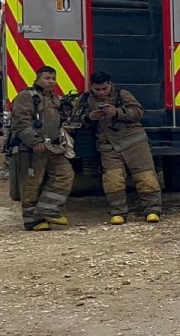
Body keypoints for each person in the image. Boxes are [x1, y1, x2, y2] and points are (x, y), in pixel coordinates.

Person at [77, 72, 162, 225]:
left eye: (105, 88)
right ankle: (118, 212)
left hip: (134, 142)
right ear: (91, 87)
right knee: (113, 179)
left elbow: (138, 113)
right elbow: (76, 119)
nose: (102, 92)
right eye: (97, 89)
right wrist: (89, 118)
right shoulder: (85, 100)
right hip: (108, 146)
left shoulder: (122, 95)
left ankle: (153, 210)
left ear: (110, 84)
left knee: (145, 176)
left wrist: (117, 112)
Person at [9, 66, 74, 231]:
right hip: (31, 148)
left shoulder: (55, 99)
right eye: (47, 78)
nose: (51, 81)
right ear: (37, 79)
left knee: (65, 174)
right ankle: (32, 221)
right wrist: (34, 141)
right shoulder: (26, 97)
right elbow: (20, 123)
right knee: (31, 183)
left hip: (52, 146)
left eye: (53, 78)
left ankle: (48, 210)